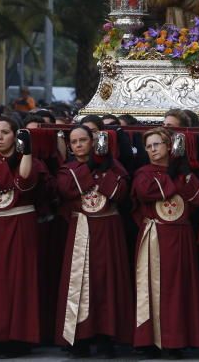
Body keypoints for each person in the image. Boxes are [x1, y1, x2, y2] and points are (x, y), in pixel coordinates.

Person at [0, 116, 49, 356]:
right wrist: (7, 167)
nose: (0, 137)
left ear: (16, 135)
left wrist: (24, 154)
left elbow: (25, 182)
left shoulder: (30, 160)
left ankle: (19, 338)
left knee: (19, 281)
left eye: (5, 132)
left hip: (20, 224)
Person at [55, 125, 133, 355]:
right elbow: (66, 190)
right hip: (81, 230)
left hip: (109, 229)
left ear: (92, 141)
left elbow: (120, 193)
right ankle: (80, 336)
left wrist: (105, 169)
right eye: (74, 142)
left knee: (108, 282)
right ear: (69, 146)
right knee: (80, 283)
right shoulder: (67, 169)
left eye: (83, 140)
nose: (79, 145)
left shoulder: (114, 166)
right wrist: (89, 168)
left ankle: (107, 335)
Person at [132, 127, 199, 356]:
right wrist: (173, 178)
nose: (153, 150)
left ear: (168, 146)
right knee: (150, 288)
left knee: (178, 289)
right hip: (155, 236)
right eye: (149, 146)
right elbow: (146, 192)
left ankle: (176, 341)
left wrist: (185, 174)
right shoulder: (144, 173)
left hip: (180, 237)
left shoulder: (183, 171)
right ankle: (149, 341)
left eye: (157, 144)